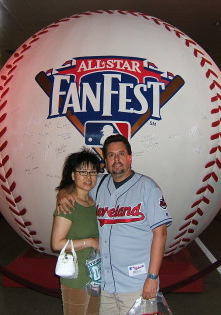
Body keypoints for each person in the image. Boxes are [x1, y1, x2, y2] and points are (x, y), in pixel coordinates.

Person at [57, 134, 172, 315]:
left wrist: (152, 277)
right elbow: (76, 185)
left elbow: (161, 233)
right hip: (107, 285)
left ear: (129, 157)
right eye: (111, 155)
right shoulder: (99, 184)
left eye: (121, 154)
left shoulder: (147, 187)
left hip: (137, 283)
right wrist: (62, 193)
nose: (116, 159)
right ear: (106, 160)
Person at [51, 148, 101, 315]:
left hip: (96, 277)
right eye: (82, 172)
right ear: (73, 176)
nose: (88, 177)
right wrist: (91, 242)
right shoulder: (68, 204)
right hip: (75, 278)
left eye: (92, 172)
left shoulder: (94, 202)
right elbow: (57, 244)